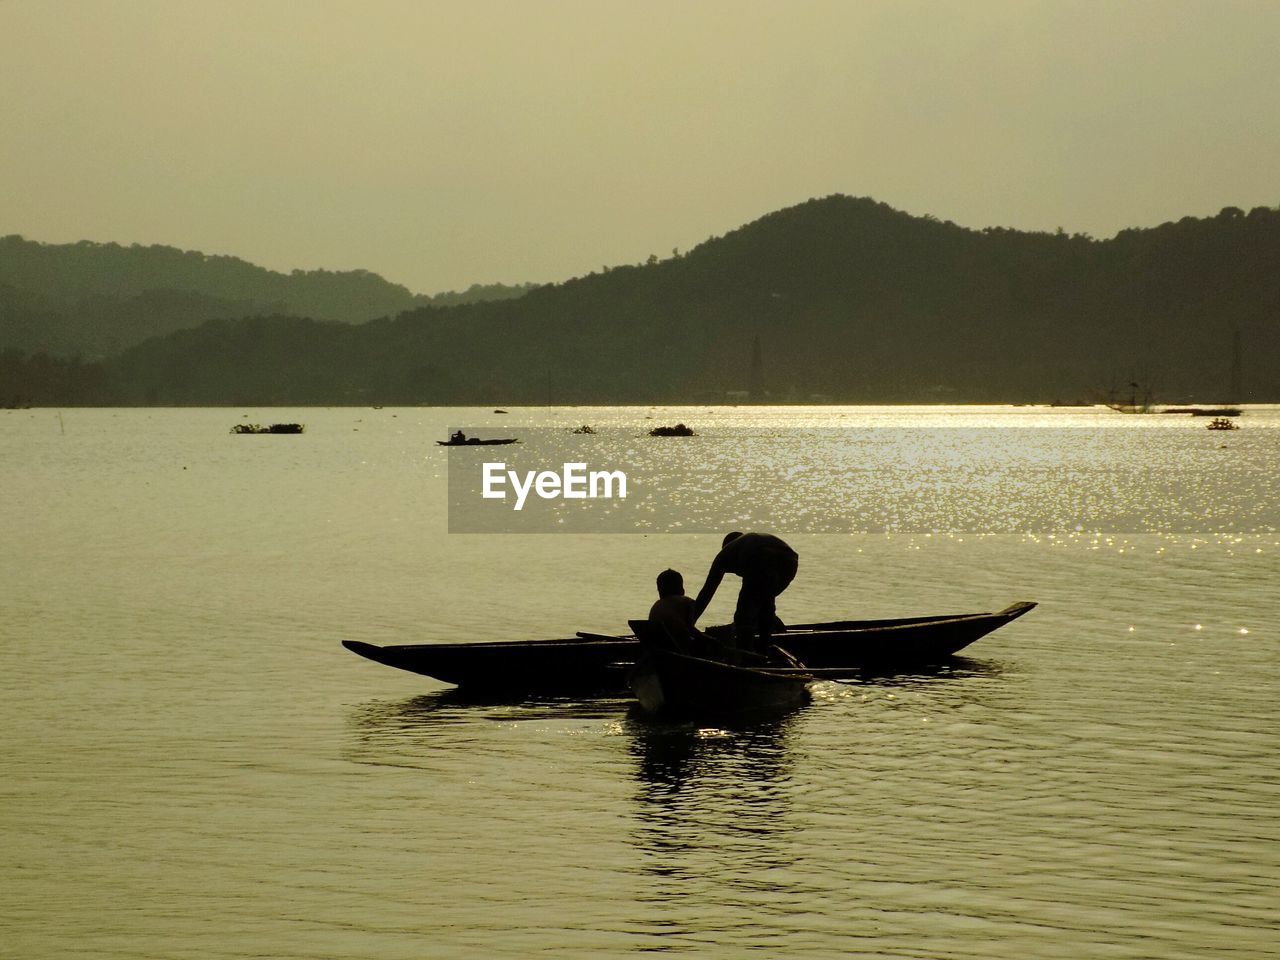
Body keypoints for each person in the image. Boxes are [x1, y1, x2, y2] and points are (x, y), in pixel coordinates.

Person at [692, 531, 798, 655]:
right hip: (790, 561)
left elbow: (706, 593)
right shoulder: (746, 543)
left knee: (743, 615)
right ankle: (764, 649)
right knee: (765, 604)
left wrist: (690, 623)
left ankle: (746, 655)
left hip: (761, 556)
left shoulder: (724, 554)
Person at [647, 569, 698, 649]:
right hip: (677, 648)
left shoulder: (657, 605)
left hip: (658, 647)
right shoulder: (687, 602)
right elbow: (690, 630)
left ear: (660, 590)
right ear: (682, 589)